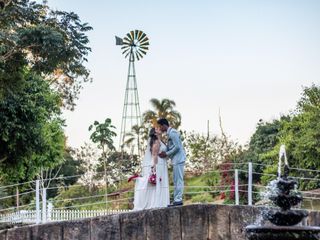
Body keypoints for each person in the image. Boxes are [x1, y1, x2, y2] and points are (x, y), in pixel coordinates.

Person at [132, 128, 170, 210]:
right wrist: (154, 167)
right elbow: (154, 155)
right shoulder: (156, 141)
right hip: (158, 164)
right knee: (157, 183)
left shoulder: (160, 140)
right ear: (155, 133)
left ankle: (162, 202)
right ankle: (158, 202)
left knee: (160, 183)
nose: (159, 129)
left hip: (162, 164)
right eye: (157, 129)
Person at [158, 118, 186, 207]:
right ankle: (176, 200)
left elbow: (177, 147)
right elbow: (172, 146)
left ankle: (178, 199)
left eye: (160, 126)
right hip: (175, 160)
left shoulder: (173, 133)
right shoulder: (169, 134)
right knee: (175, 180)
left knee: (178, 180)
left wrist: (166, 153)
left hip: (178, 159)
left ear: (163, 125)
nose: (160, 128)